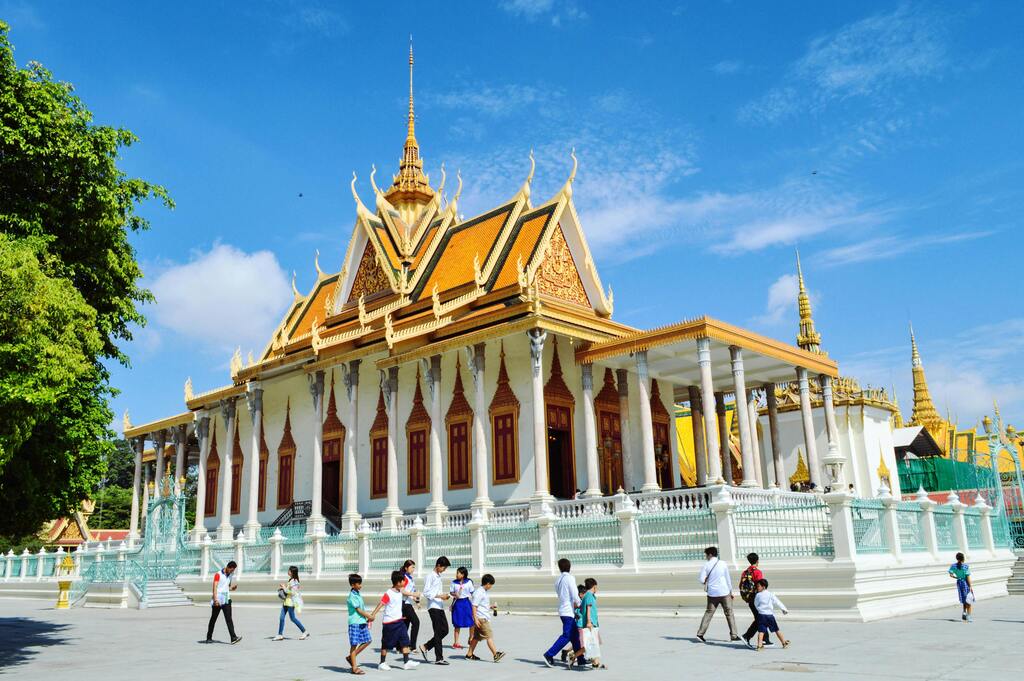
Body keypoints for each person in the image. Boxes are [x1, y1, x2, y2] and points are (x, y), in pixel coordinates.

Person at [369, 570, 419, 671]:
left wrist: (414, 595)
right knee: (386, 644)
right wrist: (372, 614)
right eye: (403, 581)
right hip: (389, 623)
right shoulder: (388, 593)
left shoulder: (400, 591)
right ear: (398, 582)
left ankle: (406, 662)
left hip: (399, 622)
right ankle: (382, 663)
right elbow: (381, 604)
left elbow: (405, 593)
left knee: (405, 640)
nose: (404, 583)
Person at [543, 558, 583, 668]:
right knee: (566, 636)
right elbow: (575, 594)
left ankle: (580, 658)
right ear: (569, 567)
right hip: (568, 611)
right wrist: (580, 604)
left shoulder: (558, 579)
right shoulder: (570, 578)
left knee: (575, 636)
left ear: (560, 568)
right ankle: (548, 654)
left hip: (562, 609)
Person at [696, 546, 740, 643]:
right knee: (729, 613)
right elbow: (727, 578)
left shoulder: (706, 565)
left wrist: (707, 580)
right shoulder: (723, 563)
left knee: (708, 613)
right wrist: (731, 591)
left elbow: (701, 580)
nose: (706, 557)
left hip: (712, 594)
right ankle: (734, 635)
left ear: (710, 554)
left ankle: (700, 634)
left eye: (706, 555)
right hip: (724, 592)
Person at [420, 556, 452, 665]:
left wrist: (445, 596)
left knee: (445, 630)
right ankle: (439, 658)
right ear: (438, 565)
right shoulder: (430, 576)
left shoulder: (438, 576)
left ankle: (426, 646)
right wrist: (440, 596)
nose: (444, 570)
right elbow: (426, 593)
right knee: (438, 631)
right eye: (444, 568)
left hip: (439, 606)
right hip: (433, 607)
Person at [466, 573, 504, 662]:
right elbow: (474, 606)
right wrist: (475, 619)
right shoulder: (479, 592)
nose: (491, 587)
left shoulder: (483, 592)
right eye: (491, 585)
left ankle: (469, 654)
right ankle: (495, 654)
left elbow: (481, 605)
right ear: (487, 583)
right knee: (489, 636)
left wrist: (491, 607)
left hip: (481, 617)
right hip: (481, 619)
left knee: (476, 638)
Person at [206, 560, 242, 644]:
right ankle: (208, 637)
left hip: (226, 598)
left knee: (229, 619)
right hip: (218, 599)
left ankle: (233, 638)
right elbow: (215, 587)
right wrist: (215, 599)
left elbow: (226, 587)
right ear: (228, 567)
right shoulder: (218, 574)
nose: (232, 572)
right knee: (213, 619)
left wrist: (232, 589)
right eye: (232, 570)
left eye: (233, 570)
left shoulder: (230, 575)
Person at [739, 553, 770, 647]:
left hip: (750, 599)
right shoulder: (757, 572)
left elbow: (740, 586)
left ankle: (765, 639)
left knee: (761, 618)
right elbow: (760, 587)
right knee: (760, 619)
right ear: (757, 561)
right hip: (757, 599)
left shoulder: (745, 572)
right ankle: (746, 636)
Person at [347, 573, 375, 675]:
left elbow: (361, 609)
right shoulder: (352, 596)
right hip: (354, 623)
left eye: (360, 583)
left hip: (362, 622)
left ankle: (351, 657)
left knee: (368, 640)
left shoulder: (358, 594)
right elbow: (358, 610)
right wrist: (369, 616)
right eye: (358, 584)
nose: (360, 585)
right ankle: (354, 667)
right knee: (354, 644)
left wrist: (366, 618)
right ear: (352, 585)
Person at [753, 579, 790, 650]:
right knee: (776, 630)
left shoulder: (758, 595)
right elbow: (777, 602)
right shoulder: (770, 594)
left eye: (758, 586)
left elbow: (756, 604)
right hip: (770, 616)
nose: (757, 588)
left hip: (761, 615)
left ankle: (759, 646)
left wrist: (759, 609)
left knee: (761, 631)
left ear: (763, 587)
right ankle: (783, 642)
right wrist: (784, 609)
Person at [274, 565, 309, 641]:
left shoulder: (295, 582)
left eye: (289, 570)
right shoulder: (290, 580)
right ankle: (280, 634)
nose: (288, 571)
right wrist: (284, 587)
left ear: (293, 572)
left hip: (291, 603)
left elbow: (292, 592)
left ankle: (304, 631)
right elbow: (288, 590)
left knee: (293, 618)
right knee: (281, 618)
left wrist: (284, 587)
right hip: (286, 602)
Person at [578, 578, 605, 669]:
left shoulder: (588, 595)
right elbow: (588, 609)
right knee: (593, 644)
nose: (597, 589)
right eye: (596, 587)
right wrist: (589, 622)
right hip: (591, 623)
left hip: (592, 623)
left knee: (593, 643)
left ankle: (595, 663)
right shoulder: (589, 595)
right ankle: (574, 656)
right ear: (594, 586)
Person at [449, 567, 474, 649]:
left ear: (463, 574)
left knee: (471, 622)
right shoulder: (454, 583)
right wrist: (455, 594)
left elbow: (472, 592)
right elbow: (451, 592)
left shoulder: (469, 582)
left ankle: (471, 638)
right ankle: (456, 642)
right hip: (457, 604)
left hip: (466, 603)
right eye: (457, 573)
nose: (456, 574)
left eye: (458, 573)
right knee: (457, 624)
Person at [399, 559, 421, 649]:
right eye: (412, 567)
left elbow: (413, 591)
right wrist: (413, 594)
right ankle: (412, 646)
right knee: (416, 622)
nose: (413, 569)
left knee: (405, 625)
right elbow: (402, 591)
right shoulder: (404, 577)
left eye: (414, 567)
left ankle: (400, 645)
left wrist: (417, 602)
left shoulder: (410, 578)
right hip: (404, 604)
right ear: (406, 568)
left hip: (408, 603)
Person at [949, 552, 974, 622]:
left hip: (959, 583)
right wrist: (970, 586)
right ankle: (969, 617)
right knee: (968, 599)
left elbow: (950, 574)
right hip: (965, 583)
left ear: (957, 558)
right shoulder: (965, 566)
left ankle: (964, 612)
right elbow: (968, 577)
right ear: (963, 558)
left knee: (964, 598)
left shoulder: (953, 566)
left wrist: (956, 577)